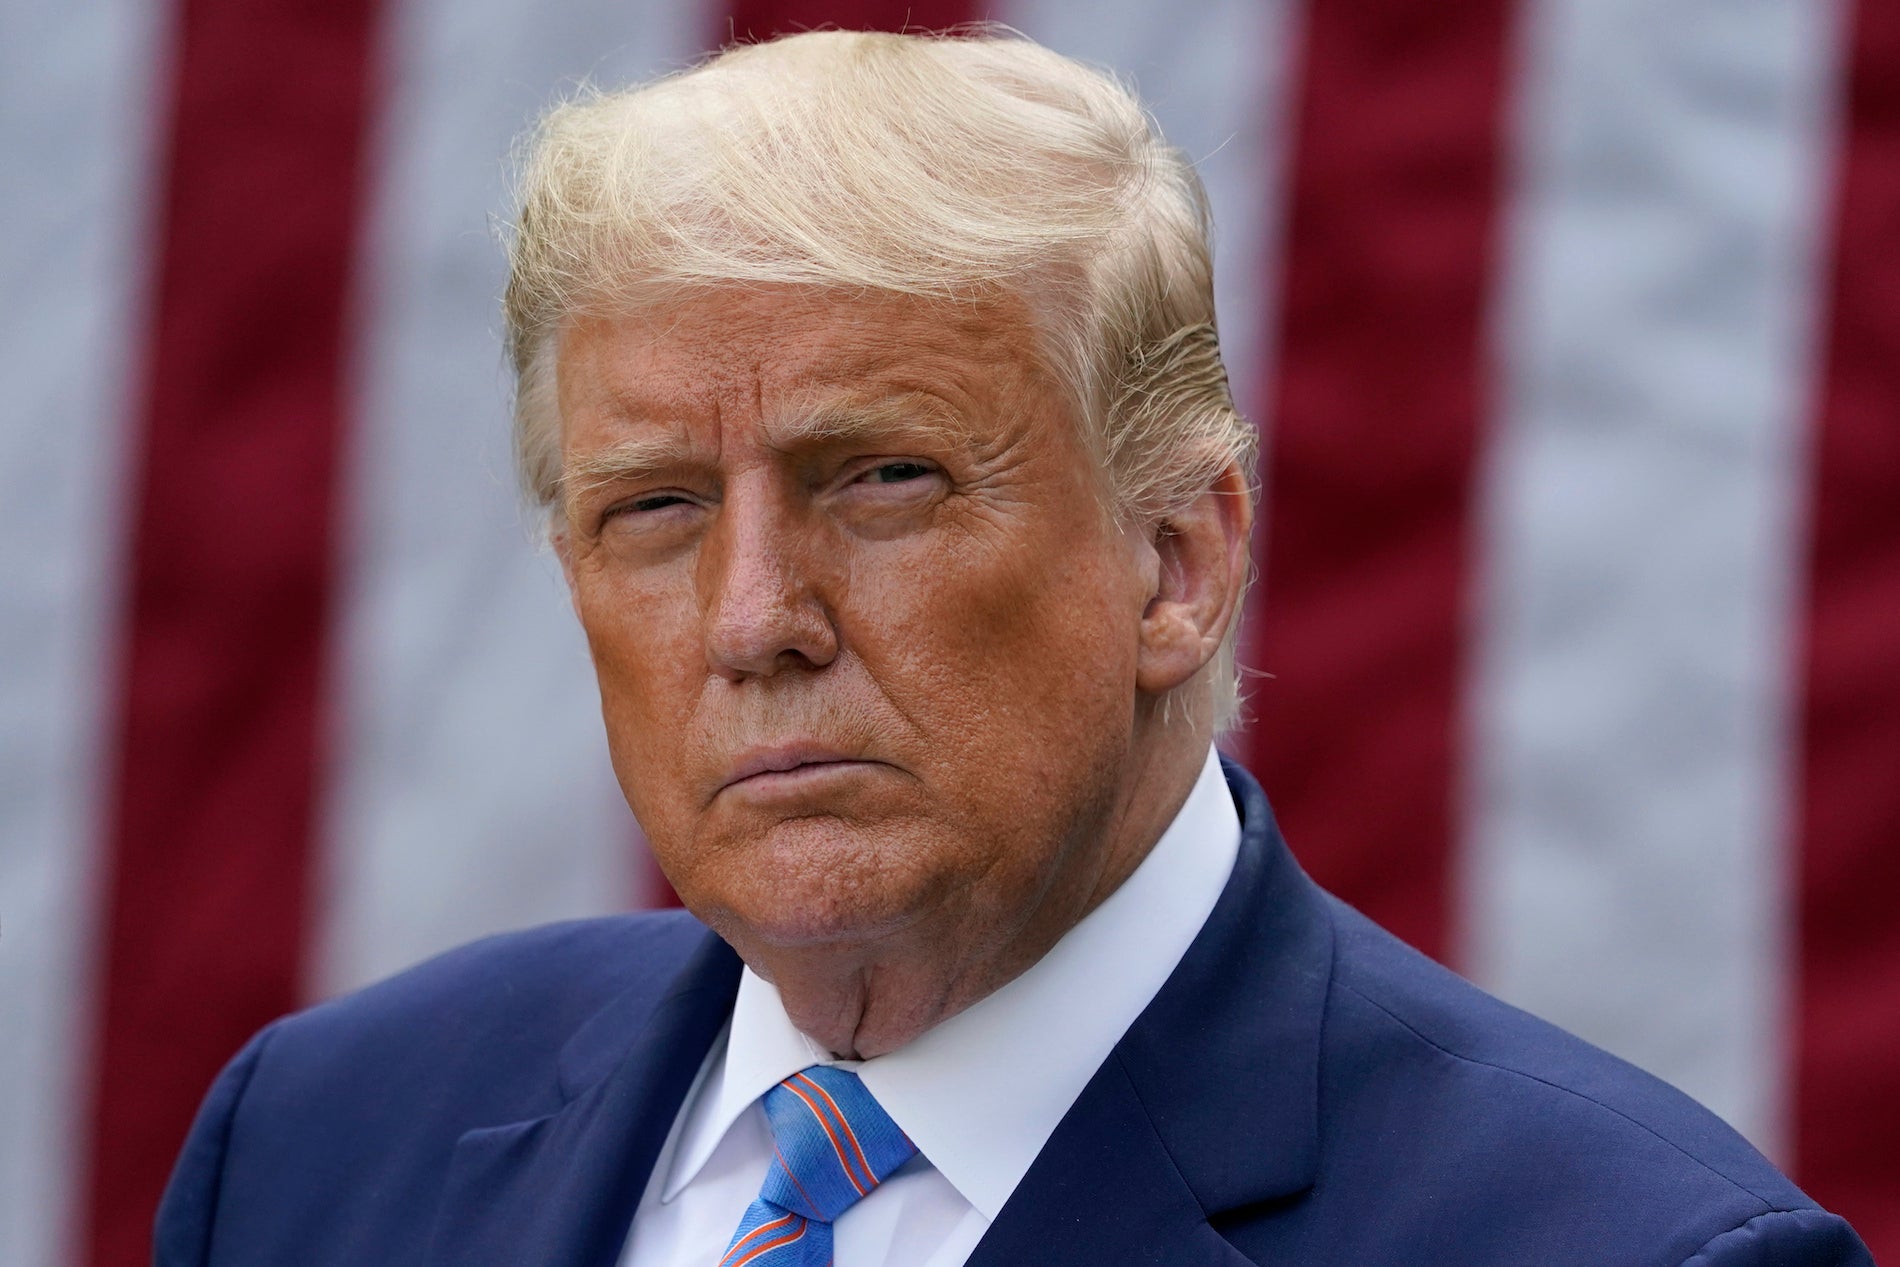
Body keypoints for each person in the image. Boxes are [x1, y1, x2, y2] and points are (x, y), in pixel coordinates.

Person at [156, 28, 1871, 1267]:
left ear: (1177, 562)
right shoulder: (317, 1148)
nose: (756, 619)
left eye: (882, 480)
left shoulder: (1623, 1248)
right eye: (658, 509)